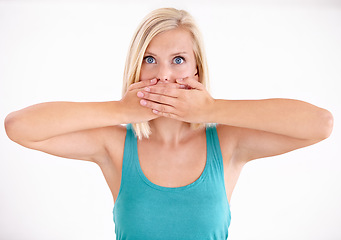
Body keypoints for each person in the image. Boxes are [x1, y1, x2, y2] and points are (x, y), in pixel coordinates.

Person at [4, 7, 333, 240]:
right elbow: (19, 126)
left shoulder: (228, 144)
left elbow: (320, 124)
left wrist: (212, 109)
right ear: (137, 68)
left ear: (196, 70)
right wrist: (121, 111)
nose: (163, 74)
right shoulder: (114, 146)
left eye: (178, 60)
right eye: (150, 60)